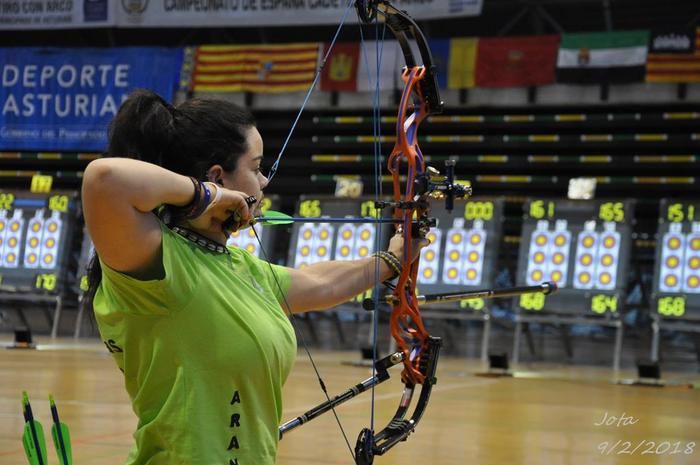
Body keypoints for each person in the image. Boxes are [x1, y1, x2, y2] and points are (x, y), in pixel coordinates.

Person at [82, 89, 427, 465]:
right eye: (256, 167)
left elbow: (320, 283)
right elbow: (104, 179)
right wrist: (207, 196)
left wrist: (393, 258)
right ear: (216, 176)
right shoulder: (154, 263)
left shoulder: (238, 267)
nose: (264, 182)